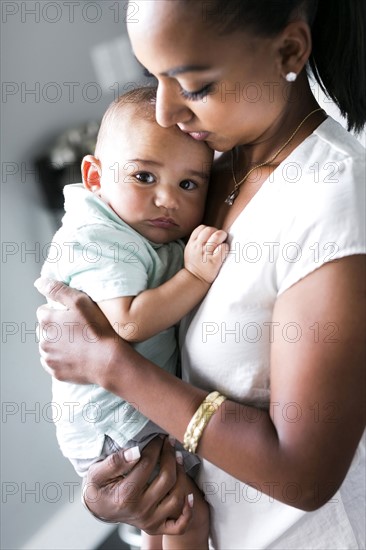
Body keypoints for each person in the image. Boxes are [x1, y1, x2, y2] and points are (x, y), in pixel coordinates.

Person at [36, 1, 366, 548]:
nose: (165, 113)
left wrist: (110, 364)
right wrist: (121, 492)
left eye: (192, 85)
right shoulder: (203, 173)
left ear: (288, 50)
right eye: (154, 77)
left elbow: (304, 476)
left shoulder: (331, 206)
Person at [40, 86, 228, 550]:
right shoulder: (99, 236)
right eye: (145, 177)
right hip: (111, 422)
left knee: (160, 516)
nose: (166, 199)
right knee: (185, 515)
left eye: (188, 185)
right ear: (95, 177)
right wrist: (197, 275)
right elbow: (127, 324)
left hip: (129, 413)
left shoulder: (139, 229)